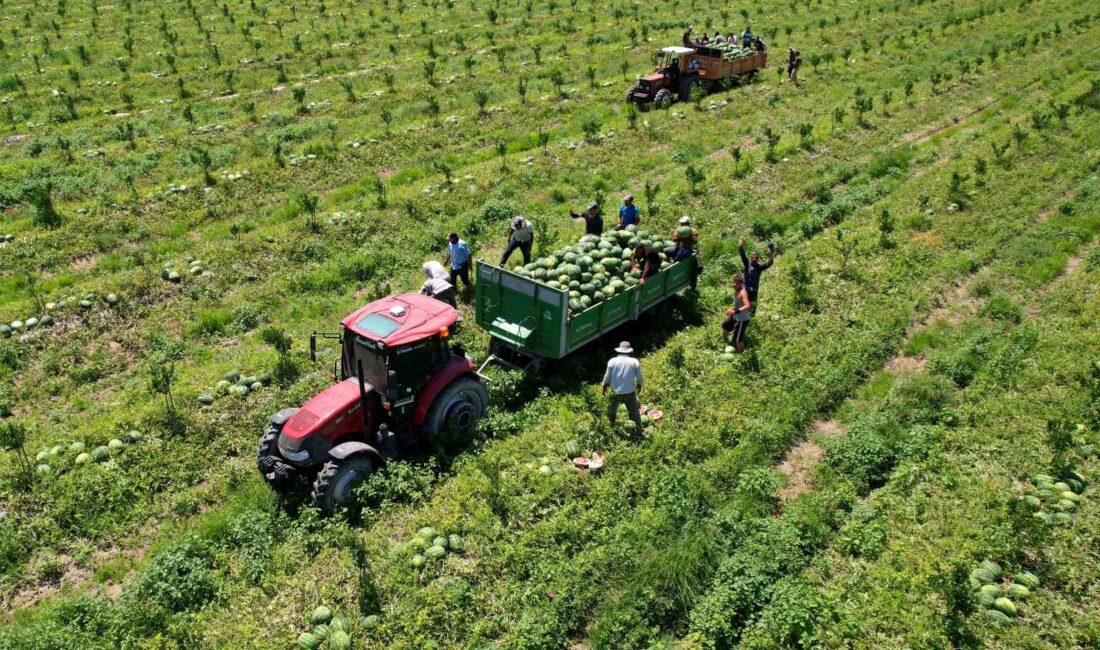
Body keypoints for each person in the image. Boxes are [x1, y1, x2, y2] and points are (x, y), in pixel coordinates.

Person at [602, 341, 644, 437]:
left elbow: (607, 376)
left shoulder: (612, 361)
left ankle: (612, 427)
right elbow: (639, 377)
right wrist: (639, 385)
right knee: (634, 411)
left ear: (619, 351)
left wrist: (604, 386)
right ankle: (638, 431)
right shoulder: (634, 361)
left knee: (611, 410)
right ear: (629, 351)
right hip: (629, 392)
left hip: (615, 392)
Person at [738, 237, 775, 305]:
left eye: (756, 257)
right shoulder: (747, 264)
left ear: (758, 258)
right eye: (752, 257)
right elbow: (742, 254)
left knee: (752, 307)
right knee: (741, 305)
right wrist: (740, 245)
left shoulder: (760, 266)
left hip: (754, 290)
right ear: (750, 258)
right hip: (745, 289)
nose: (754, 258)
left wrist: (771, 252)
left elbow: (770, 262)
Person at [721, 274, 752, 353]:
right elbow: (737, 304)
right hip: (735, 316)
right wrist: (731, 309)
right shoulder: (736, 291)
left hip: (743, 319)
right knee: (725, 325)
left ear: (741, 284)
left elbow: (747, 305)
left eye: (737, 283)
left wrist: (735, 311)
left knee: (739, 339)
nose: (734, 285)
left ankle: (740, 356)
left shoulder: (742, 292)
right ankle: (726, 342)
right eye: (733, 282)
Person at [443, 232, 473, 297]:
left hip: (462, 266)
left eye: (450, 238)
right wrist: (446, 260)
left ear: (454, 238)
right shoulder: (450, 243)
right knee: (452, 279)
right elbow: (449, 252)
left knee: (465, 280)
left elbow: (469, 254)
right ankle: (455, 292)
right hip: (453, 264)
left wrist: (470, 265)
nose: (449, 240)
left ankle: (470, 293)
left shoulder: (462, 244)